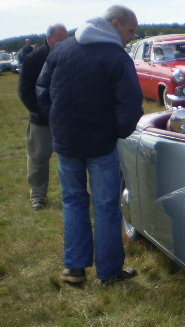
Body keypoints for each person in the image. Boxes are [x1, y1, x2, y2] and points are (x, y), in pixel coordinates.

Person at [36, 5, 143, 285]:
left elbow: (42, 90)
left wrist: (57, 121)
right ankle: (108, 272)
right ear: (115, 23)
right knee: (106, 205)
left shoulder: (61, 50)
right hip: (99, 144)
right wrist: (117, 131)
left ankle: (75, 268)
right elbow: (131, 103)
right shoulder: (116, 56)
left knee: (73, 201)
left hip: (68, 141)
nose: (132, 37)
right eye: (130, 30)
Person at [18, 24, 69, 211]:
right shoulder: (33, 59)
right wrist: (45, 112)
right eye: (60, 39)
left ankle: (72, 193)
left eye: (67, 38)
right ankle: (38, 196)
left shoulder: (71, 56)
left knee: (72, 158)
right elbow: (25, 91)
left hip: (66, 119)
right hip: (41, 120)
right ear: (49, 39)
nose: (65, 43)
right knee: (38, 158)